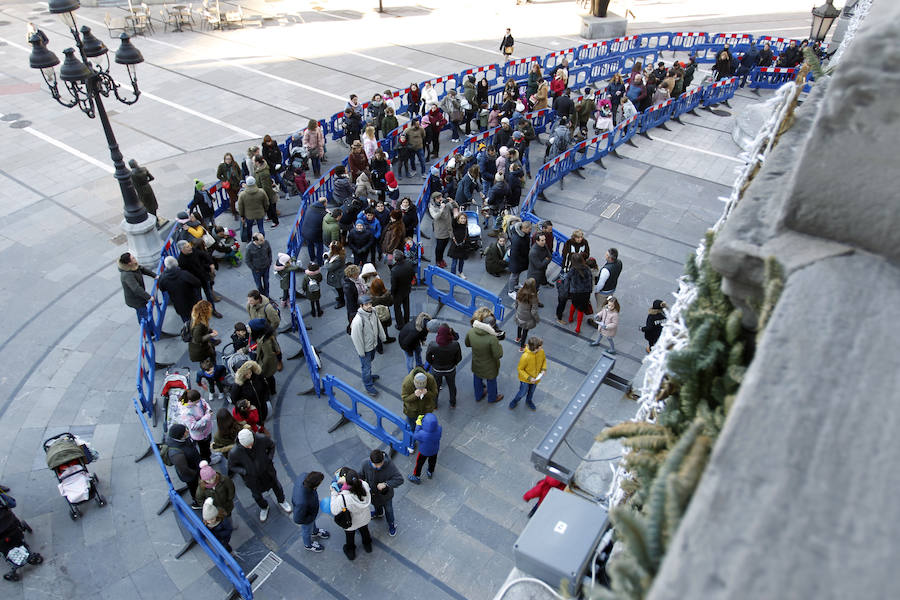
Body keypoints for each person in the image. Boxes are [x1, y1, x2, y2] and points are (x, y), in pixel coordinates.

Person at [228, 428, 292, 522]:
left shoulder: (261, 439)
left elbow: (271, 446)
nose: (250, 447)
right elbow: (232, 466)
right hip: (252, 478)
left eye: (251, 444)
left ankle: (282, 500)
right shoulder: (234, 452)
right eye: (247, 446)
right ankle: (264, 507)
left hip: (268, 472)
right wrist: (245, 471)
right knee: (257, 495)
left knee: (277, 487)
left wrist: (269, 459)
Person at [330, 467, 372, 561]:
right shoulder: (364, 485)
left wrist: (333, 493)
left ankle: (351, 551)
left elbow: (334, 510)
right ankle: (367, 545)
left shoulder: (343, 498)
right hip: (365, 518)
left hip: (351, 522)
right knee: (365, 531)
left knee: (350, 536)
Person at [360, 449, 403, 537]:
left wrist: (386, 484)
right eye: (375, 464)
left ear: (383, 459)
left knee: (389, 510)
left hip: (386, 496)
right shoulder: (365, 463)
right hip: (373, 494)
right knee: (376, 505)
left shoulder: (390, 466)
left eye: (379, 464)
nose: (377, 467)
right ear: (370, 460)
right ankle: (378, 513)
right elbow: (361, 475)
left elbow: (400, 479)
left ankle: (391, 524)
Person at [350, 295, 387, 397]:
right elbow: (355, 338)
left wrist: (382, 337)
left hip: (373, 345)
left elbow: (378, 324)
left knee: (369, 363)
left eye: (370, 303)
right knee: (366, 367)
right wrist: (361, 352)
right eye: (366, 304)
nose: (369, 306)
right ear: (361, 306)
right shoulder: (358, 320)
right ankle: (368, 385)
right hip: (365, 349)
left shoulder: (373, 311)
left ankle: (369, 377)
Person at [465, 308, 504, 404]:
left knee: (477, 379)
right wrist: (499, 345)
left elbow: (467, 344)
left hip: (476, 362)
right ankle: (492, 398)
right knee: (491, 381)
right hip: (490, 366)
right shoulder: (492, 338)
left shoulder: (471, 331)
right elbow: (498, 355)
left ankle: (478, 395)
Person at [178, 240, 222, 318]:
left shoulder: (194, 251)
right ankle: (203, 313)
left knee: (209, 295)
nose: (190, 247)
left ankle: (213, 310)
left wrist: (211, 263)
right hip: (194, 282)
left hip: (203, 277)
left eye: (189, 245)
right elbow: (185, 274)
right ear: (182, 250)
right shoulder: (181, 261)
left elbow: (204, 255)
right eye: (187, 247)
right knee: (198, 299)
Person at [164, 423, 203, 509]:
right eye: (185, 431)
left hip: (194, 465)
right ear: (180, 435)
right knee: (194, 487)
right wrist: (195, 473)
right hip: (191, 475)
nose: (187, 431)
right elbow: (184, 470)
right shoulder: (175, 453)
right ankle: (197, 502)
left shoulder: (181, 440)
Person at [292, 471, 330, 553]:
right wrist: (310, 518)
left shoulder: (304, 476)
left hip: (310, 513)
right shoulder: (302, 502)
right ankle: (308, 545)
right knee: (306, 530)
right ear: (314, 485)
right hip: (306, 517)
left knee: (312, 524)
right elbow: (297, 519)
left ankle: (314, 532)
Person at [426, 323, 462, 408]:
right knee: (452, 386)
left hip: (437, 370)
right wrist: (454, 363)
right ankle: (452, 403)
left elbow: (428, 358)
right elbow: (459, 357)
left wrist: (433, 363)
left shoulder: (433, 345)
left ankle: (435, 404)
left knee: (436, 387)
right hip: (450, 369)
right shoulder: (455, 344)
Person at [557, 254, 594, 334]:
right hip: (586, 293)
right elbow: (591, 281)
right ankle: (578, 328)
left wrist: (566, 291)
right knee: (581, 310)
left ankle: (570, 318)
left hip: (575, 293)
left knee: (573, 305)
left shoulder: (573, 270)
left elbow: (567, 280)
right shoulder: (587, 268)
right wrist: (590, 290)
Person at [159, 256, 201, 323]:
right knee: (197, 319)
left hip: (179, 305)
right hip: (191, 301)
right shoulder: (184, 274)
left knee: (186, 321)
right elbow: (198, 283)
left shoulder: (163, 278)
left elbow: (162, 288)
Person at [117, 252, 156, 324]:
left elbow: (142, 269)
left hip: (139, 297)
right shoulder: (127, 275)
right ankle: (148, 328)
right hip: (136, 300)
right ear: (129, 263)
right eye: (133, 258)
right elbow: (136, 288)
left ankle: (147, 326)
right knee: (144, 314)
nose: (135, 258)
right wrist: (149, 297)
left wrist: (155, 275)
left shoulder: (133, 266)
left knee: (142, 313)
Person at [509, 337, 546, 410]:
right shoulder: (525, 357)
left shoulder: (541, 351)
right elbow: (520, 369)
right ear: (535, 348)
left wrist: (543, 369)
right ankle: (515, 400)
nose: (541, 348)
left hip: (536, 378)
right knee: (522, 392)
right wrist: (529, 378)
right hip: (525, 380)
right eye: (540, 347)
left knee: (531, 391)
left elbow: (544, 360)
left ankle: (529, 401)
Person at [230, 360, 271, 424]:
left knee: (264, 417)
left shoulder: (257, 375)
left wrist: (266, 398)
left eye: (250, 372)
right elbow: (234, 399)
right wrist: (245, 406)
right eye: (246, 374)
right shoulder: (238, 385)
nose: (249, 375)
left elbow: (265, 386)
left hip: (263, 404)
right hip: (251, 410)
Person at [128, 159, 164, 228]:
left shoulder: (132, 174)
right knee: (152, 203)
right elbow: (152, 178)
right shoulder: (144, 169)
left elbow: (133, 185)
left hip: (141, 191)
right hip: (148, 187)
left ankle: (153, 220)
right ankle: (155, 217)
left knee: (146, 205)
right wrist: (145, 182)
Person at [248, 318, 280, 395]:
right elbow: (251, 344)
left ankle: (272, 391)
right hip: (258, 359)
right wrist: (244, 350)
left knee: (269, 377)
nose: (247, 328)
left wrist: (261, 368)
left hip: (264, 365)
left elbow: (268, 357)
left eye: (249, 327)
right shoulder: (255, 335)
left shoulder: (266, 342)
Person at [408, 413, 442, 484]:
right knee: (432, 461)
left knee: (419, 463)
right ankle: (430, 471)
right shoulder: (439, 429)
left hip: (424, 452)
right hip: (434, 450)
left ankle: (416, 476)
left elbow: (415, 435)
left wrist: (418, 425)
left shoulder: (422, 434)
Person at [428, 193, 456, 269]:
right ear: (434, 199)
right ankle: (438, 260)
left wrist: (453, 202)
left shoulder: (445, 203)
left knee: (444, 246)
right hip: (440, 230)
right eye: (438, 198)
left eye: (440, 197)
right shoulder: (432, 207)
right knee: (439, 247)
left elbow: (455, 207)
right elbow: (435, 216)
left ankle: (441, 259)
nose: (440, 199)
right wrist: (441, 209)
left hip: (448, 228)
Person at [390, 249, 415, 328]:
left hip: (398, 292)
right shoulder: (409, 264)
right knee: (406, 306)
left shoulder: (394, 270)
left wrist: (392, 293)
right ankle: (406, 321)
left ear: (395, 259)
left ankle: (400, 324)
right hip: (407, 288)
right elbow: (412, 275)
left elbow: (394, 285)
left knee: (397, 308)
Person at [188, 300, 218, 367]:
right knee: (207, 362)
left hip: (202, 347)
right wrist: (210, 335)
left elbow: (204, 329)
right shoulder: (199, 325)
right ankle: (213, 369)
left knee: (211, 355)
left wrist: (211, 330)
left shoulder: (196, 317)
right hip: (200, 349)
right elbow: (198, 339)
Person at [507, 219, 532, 296]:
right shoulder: (517, 239)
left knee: (517, 274)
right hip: (517, 261)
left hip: (520, 260)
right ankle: (511, 291)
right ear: (524, 228)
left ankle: (516, 285)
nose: (530, 230)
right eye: (529, 229)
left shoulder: (523, 235)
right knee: (514, 275)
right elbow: (515, 253)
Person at [514, 279, 540, 351]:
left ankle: (518, 338)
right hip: (527, 318)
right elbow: (533, 311)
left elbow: (516, 302)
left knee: (519, 325)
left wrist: (517, 309)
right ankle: (522, 347)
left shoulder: (519, 291)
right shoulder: (533, 297)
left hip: (519, 313)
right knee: (525, 332)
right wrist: (537, 319)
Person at [245, 233, 273, 298]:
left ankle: (267, 296)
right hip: (257, 270)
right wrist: (254, 269)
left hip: (266, 267)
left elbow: (269, 252)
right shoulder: (249, 248)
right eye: (261, 240)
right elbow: (247, 260)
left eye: (263, 238)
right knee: (259, 285)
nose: (263, 241)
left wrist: (269, 262)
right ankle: (262, 297)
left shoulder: (266, 243)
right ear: (256, 241)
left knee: (266, 283)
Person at [368, 277, 396, 343]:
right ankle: (386, 338)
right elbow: (391, 303)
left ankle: (378, 342)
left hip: (374, 315)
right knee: (384, 327)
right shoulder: (387, 295)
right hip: (384, 314)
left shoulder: (369, 297)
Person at [301, 198, 327, 266]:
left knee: (310, 246)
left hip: (305, 232)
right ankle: (320, 262)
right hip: (315, 235)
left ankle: (312, 259)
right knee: (319, 247)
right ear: (324, 203)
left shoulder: (310, 208)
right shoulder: (323, 213)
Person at [217, 152, 243, 219]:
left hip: (236, 184)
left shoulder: (234, 164)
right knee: (232, 199)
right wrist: (225, 180)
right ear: (224, 159)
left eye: (229, 159)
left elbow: (239, 171)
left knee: (236, 197)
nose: (228, 160)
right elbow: (218, 175)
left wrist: (240, 179)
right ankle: (234, 212)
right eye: (227, 159)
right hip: (229, 185)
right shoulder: (222, 166)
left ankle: (237, 210)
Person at [448, 212, 469, 279]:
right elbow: (453, 222)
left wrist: (467, 246)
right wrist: (455, 216)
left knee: (461, 262)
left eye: (464, 218)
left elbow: (467, 236)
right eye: (461, 218)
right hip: (455, 246)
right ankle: (453, 275)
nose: (463, 220)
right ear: (458, 219)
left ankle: (460, 272)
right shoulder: (456, 226)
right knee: (454, 262)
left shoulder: (466, 227)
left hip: (462, 247)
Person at [325, 242, 346, 308]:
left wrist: (326, 261)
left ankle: (342, 302)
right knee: (339, 289)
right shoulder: (340, 253)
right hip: (338, 274)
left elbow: (329, 267)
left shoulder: (338, 258)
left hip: (338, 276)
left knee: (339, 289)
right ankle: (340, 297)